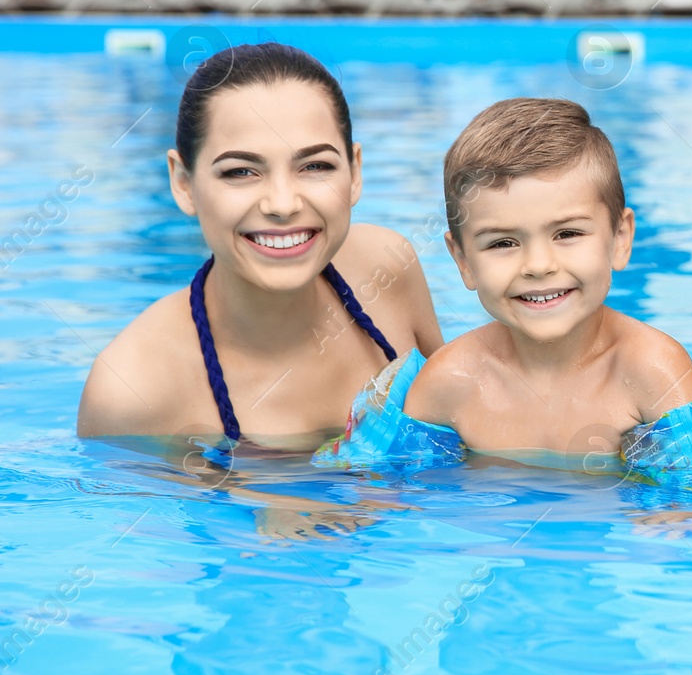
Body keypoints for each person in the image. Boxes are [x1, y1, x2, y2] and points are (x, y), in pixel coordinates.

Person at [77, 43, 443, 452]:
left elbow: (462, 422)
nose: (283, 204)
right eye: (241, 172)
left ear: (355, 171)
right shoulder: (133, 390)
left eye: (315, 166)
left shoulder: (386, 266)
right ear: (183, 183)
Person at [402, 98, 692, 455]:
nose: (538, 264)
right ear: (463, 261)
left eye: (567, 234)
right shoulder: (447, 383)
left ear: (620, 239)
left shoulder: (652, 371)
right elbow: (405, 495)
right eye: (503, 242)